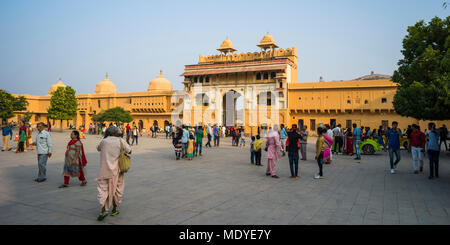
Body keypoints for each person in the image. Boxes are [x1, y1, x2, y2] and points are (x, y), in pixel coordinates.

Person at [96, 126, 131, 221]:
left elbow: (98, 148)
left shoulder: (104, 141)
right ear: (115, 133)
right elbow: (130, 150)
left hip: (104, 170)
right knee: (117, 189)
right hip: (117, 171)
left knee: (103, 189)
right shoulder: (120, 141)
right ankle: (114, 209)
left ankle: (103, 209)